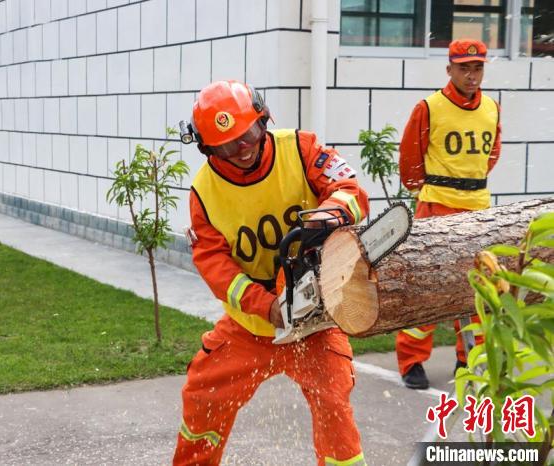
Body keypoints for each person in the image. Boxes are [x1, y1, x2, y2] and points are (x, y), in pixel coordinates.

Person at [173, 80, 369, 465]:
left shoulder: (301, 148)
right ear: (207, 148)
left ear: (263, 120)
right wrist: (266, 306)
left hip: (316, 319)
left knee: (333, 402)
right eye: (228, 146)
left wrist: (327, 216)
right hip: (250, 325)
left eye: (247, 135)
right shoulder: (204, 193)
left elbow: (350, 190)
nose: (243, 149)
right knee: (203, 397)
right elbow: (216, 267)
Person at [396, 39, 502, 390]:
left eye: (478, 68)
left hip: (479, 208)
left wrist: (468, 185)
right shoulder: (429, 107)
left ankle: (468, 357)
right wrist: (430, 191)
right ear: (449, 69)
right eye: (464, 68)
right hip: (437, 205)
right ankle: (411, 359)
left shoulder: (492, 108)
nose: (472, 75)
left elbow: (491, 154)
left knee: (476, 288)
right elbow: (410, 160)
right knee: (428, 286)